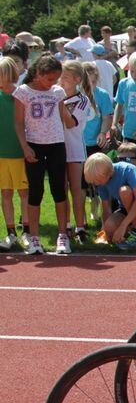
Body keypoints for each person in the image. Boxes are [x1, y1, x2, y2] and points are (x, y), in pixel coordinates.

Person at [13, 54, 76, 255]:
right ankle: (34, 238)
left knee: (59, 189)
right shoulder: (23, 92)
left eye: (56, 79)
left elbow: (64, 117)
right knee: (35, 191)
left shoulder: (57, 92)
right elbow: (18, 122)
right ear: (38, 74)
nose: (53, 83)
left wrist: (71, 116)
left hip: (56, 144)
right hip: (34, 145)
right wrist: (25, 147)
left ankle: (63, 235)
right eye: (49, 79)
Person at [83, 150, 136, 250]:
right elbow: (106, 208)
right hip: (128, 207)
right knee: (110, 226)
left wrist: (122, 226)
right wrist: (105, 232)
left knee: (124, 191)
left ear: (105, 173)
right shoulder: (101, 183)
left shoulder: (127, 169)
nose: (96, 184)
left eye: (97, 180)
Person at [58, 61, 93, 244]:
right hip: (56, 148)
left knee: (76, 190)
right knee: (61, 190)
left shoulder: (82, 100)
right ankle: (66, 225)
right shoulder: (56, 96)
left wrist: (59, 102)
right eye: (60, 77)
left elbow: (71, 123)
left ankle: (81, 227)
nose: (60, 81)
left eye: (65, 78)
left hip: (75, 150)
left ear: (77, 79)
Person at [0, 57, 27, 251]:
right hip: (2, 155)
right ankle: (10, 233)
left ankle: (26, 230)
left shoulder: (22, 95)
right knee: (6, 193)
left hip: (19, 153)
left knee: (24, 192)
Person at [113, 52, 136, 149]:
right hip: (128, 132)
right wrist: (114, 124)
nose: (134, 75)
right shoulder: (124, 83)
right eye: (132, 71)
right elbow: (119, 105)